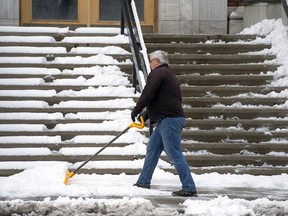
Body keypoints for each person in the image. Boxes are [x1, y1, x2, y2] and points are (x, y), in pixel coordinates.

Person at [131, 50, 197, 197]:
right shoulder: (168, 75)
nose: (150, 64)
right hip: (165, 120)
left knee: (174, 154)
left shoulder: (158, 73)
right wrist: (146, 114)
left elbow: (148, 93)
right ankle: (143, 182)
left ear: (156, 61)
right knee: (152, 150)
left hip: (169, 120)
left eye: (150, 61)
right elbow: (162, 99)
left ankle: (189, 187)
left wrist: (137, 108)